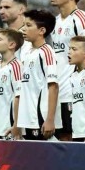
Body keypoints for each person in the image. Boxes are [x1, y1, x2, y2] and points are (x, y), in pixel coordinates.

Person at [51, 0, 85, 141]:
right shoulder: (55, 22)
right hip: (58, 91)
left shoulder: (81, 19)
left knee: (73, 139)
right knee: (60, 139)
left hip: (74, 92)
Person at [14, 9, 60, 141]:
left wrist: (50, 119)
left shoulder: (46, 52)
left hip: (39, 117)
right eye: (23, 25)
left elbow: (53, 86)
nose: (23, 29)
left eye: (28, 25)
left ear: (42, 31)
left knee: (45, 152)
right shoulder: (26, 52)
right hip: (27, 118)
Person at [0, 29, 24, 140]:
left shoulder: (16, 66)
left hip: (9, 127)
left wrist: (16, 124)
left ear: (11, 45)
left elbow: (19, 96)